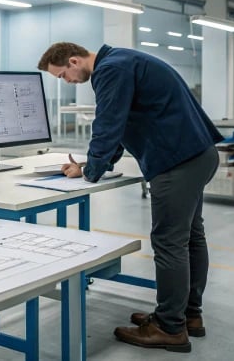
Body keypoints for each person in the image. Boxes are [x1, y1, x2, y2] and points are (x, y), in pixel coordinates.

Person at [38, 42, 222, 353]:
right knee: (190, 237)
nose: (66, 82)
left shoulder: (111, 69)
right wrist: (97, 163)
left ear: (73, 60)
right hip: (197, 154)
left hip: (176, 161)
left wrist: (90, 172)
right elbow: (122, 124)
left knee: (169, 242)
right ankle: (187, 316)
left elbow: (108, 123)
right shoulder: (123, 61)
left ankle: (169, 328)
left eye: (62, 76)